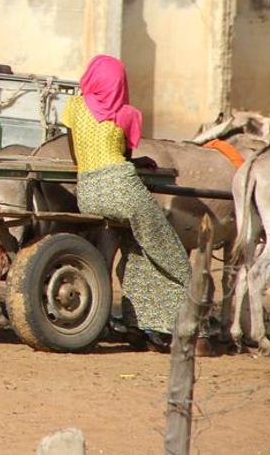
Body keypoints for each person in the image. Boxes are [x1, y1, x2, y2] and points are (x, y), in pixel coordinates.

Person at [63, 54, 190, 350]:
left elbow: (77, 155)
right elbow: (123, 160)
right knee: (169, 251)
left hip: (89, 191)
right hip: (121, 188)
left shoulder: (75, 106)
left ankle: (137, 325)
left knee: (135, 247)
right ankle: (181, 324)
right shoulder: (126, 114)